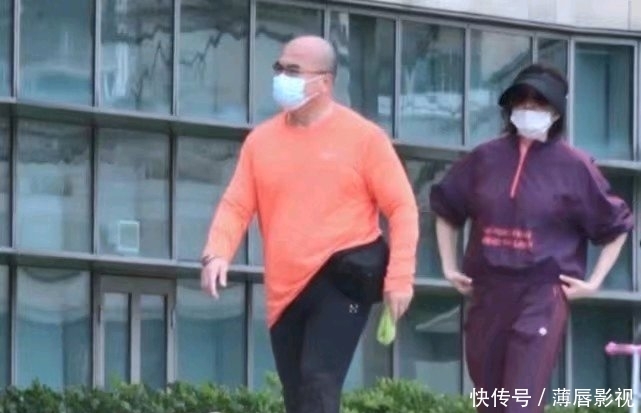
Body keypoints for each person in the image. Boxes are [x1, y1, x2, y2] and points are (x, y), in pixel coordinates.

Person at [200, 35, 419, 413]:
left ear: (325, 83)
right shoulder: (261, 142)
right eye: (279, 68)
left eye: (293, 70)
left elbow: (402, 208)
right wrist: (216, 253)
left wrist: (400, 279)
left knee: (319, 381)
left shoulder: (364, 139)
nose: (282, 77)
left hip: (343, 279)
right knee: (297, 394)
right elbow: (236, 204)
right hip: (285, 291)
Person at [429, 63, 634, 413]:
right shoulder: (484, 158)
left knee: (519, 403)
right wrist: (448, 266)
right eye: (521, 101)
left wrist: (594, 282)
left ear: (556, 112)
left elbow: (616, 225)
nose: (528, 109)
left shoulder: (575, 166)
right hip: (488, 291)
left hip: (542, 294)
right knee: (491, 401)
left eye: (539, 103)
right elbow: (446, 209)